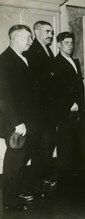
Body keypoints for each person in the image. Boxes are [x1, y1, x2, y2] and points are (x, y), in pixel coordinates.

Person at [0, 24, 38, 210]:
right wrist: (17, 123)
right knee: (14, 162)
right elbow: (4, 96)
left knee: (21, 160)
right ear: (13, 38)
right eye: (27, 38)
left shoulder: (23, 58)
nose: (31, 41)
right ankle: (9, 201)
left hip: (27, 121)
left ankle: (17, 192)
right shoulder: (4, 60)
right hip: (17, 123)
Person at [22, 20, 57, 197]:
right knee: (36, 148)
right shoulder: (32, 52)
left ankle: (38, 180)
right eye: (46, 31)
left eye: (51, 31)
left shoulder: (47, 50)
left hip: (48, 110)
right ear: (36, 32)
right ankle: (28, 186)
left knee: (46, 147)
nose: (50, 35)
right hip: (39, 111)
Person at [54, 32, 85, 179]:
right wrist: (69, 104)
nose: (70, 46)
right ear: (59, 44)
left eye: (71, 43)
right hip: (66, 108)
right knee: (65, 139)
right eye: (66, 43)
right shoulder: (56, 62)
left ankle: (77, 167)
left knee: (77, 137)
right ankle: (65, 170)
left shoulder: (74, 61)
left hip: (78, 107)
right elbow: (57, 88)